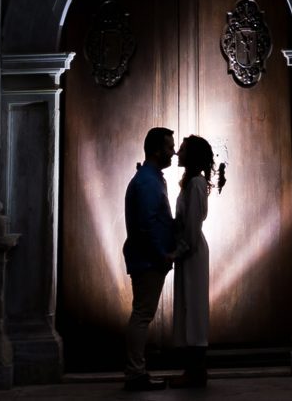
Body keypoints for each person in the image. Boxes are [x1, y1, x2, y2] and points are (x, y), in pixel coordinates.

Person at [121, 126, 177, 391]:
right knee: (142, 314)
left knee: (142, 313)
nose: (173, 152)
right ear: (156, 150)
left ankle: (136, 372)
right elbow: (147, 224)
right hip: (148, 259)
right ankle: (135, 374)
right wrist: (161, 254)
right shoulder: (147, 181)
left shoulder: (150, 178)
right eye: (168, 147)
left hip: (148, 257)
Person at [171, 135, 221, 388]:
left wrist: (178, 250)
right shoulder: (191, 183)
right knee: (189, 305)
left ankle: (196, 370)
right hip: (188, 251)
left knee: (195, 307)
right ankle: (192, 370)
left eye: (181, 149)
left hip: (192, 252)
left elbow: (191, 226)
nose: (177, 152)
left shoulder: (196, 184)